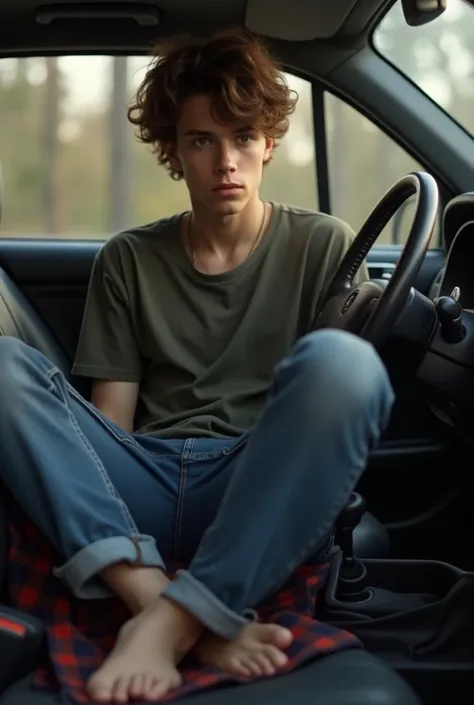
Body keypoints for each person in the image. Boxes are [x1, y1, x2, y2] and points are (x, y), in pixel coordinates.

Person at [0, 29, 394, 704]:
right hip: (142, 476)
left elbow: (313, 415)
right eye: (202, 140)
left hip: (247, 474)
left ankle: (171, 621)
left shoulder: (322, 242)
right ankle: (164, 602)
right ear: (175, 153)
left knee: (345, 366)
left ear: (269, 142)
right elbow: (110, 426)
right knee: (5, 363)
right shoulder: (128, 258)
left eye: (242, 136)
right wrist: (114, 503)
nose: (226, 162)